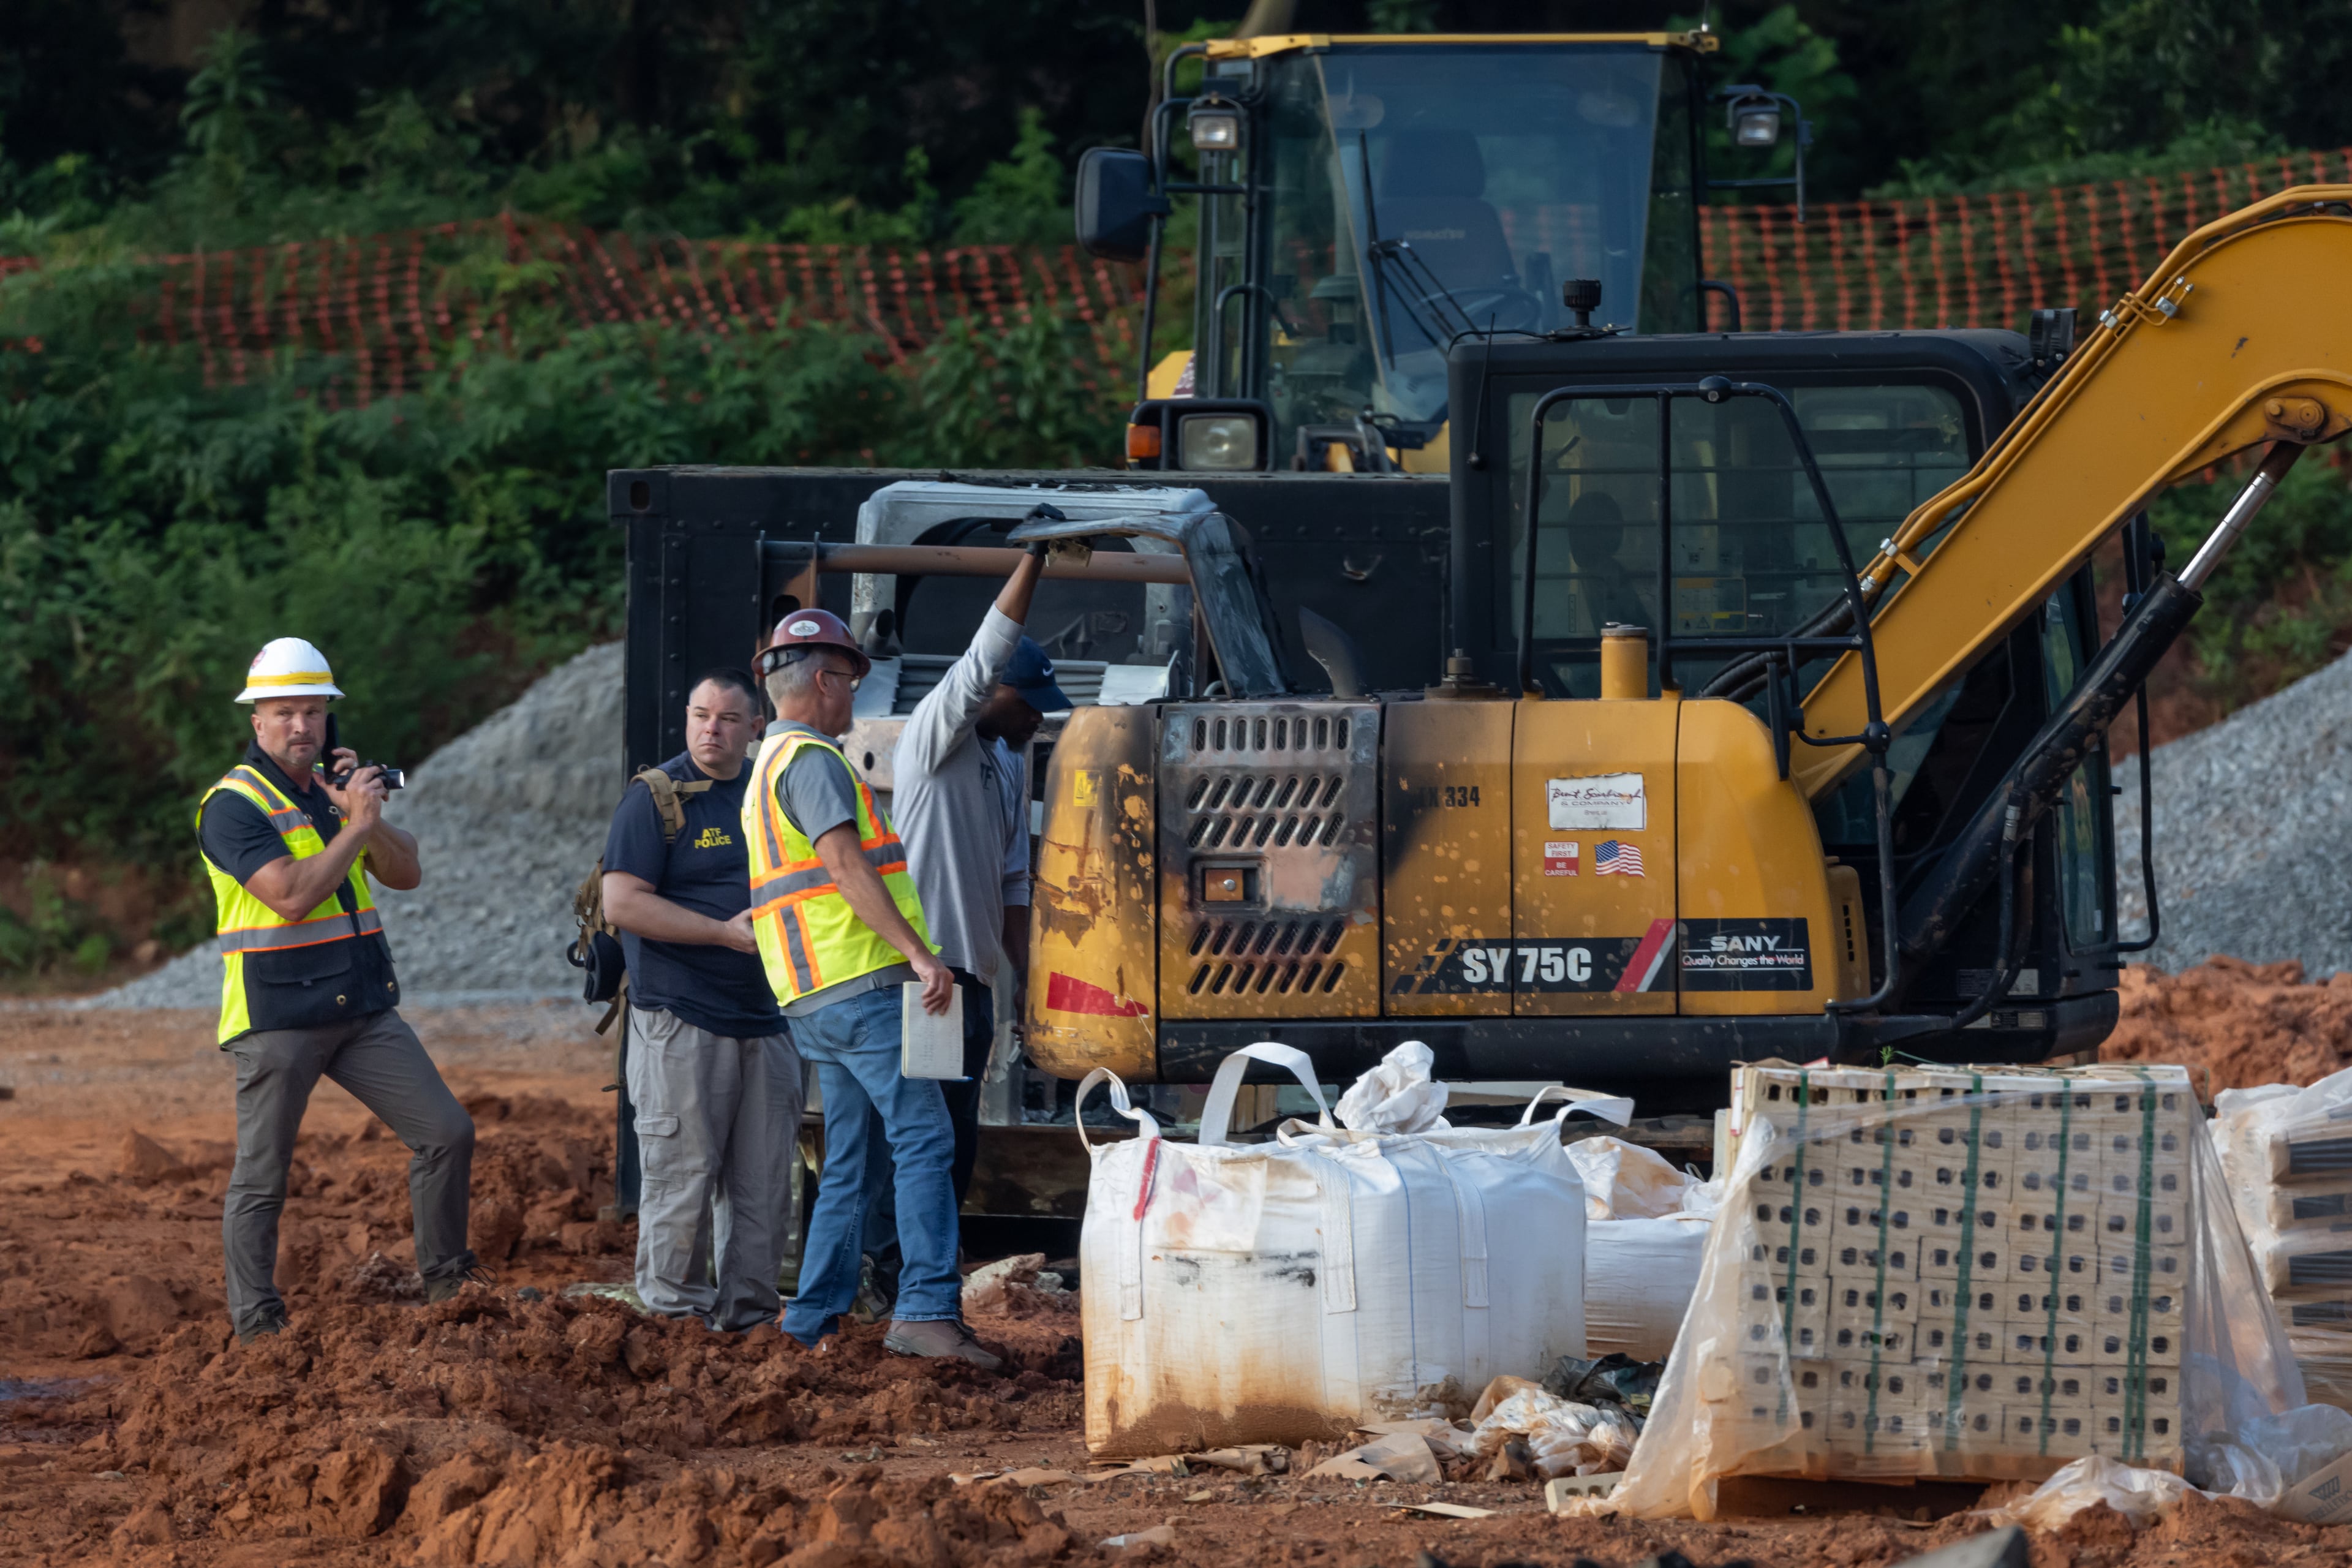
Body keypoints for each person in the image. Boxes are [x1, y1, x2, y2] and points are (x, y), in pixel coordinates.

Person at [197, 637, 481, 1341]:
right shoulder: (231, 806)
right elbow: (290, 896)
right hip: (277, 1016)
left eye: (315, 713)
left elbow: (406, 872)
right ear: (256, 722)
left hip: (360, 1007)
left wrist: (367, 817)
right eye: (286, 712)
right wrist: (353, 829)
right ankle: (257, 1322)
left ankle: (449, 1284)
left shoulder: (333, 793)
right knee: (263, 1176)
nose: (302, 727)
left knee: (447, 1132)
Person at [745, 608, 1000, 1368]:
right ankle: (924, 1310)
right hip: (861, 986)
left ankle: (812, 1315)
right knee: (925, 1137)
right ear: (823, 680)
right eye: (851, 678)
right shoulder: (816, 760)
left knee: (852, 1159)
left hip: (811, 996)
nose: (856, 693)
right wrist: (922, 955)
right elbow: (845, 867)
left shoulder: (768, 764)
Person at [600, 668, 801, 1333]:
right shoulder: (655, 798)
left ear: (756, 728)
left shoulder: (769, 794)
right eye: (700, 715)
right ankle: (675, 1326)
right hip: (681, 1022)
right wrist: (722, 933)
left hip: (769, 1022)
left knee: (763, 1188)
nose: (710, 729)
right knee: (681, 1180)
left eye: (726, 718)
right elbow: (621, 902)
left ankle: (748, 1320)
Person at [889, 546, 1063, 1193]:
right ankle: (897, 1271)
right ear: (994, 690)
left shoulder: (1009, 760)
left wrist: (1023, 978)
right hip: (926, 971)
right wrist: (1035, 560)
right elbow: (984, 652)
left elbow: (1013, 876)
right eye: (1030, 702)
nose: (1038, 717)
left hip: (975, 978)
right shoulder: (939, 735)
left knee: (959, 1134)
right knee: (922, 1136)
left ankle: (935, 1268)